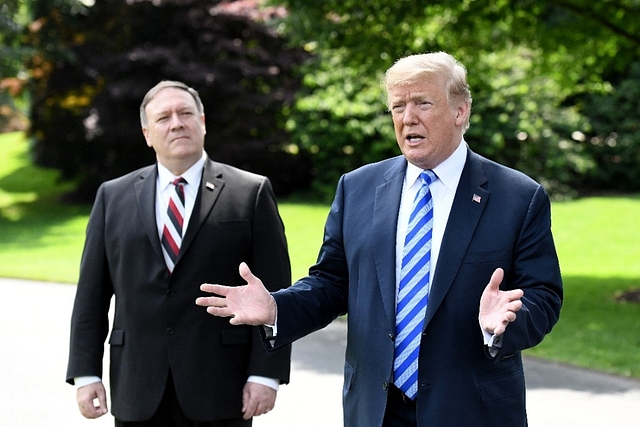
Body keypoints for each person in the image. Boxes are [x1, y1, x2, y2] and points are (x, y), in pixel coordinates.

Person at [196, 52, 563, 427]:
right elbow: (332, 283)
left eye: (423, 103)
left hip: (473, 409)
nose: (408, 118)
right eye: (398, 106)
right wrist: (277, 309)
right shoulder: (358, 188)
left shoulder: (516, 196)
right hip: (376, 410)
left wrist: (505, 321)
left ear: (460, 111)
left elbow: (544, 295)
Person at [66, 80, 292, 427]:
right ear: (147, 133)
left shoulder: (251, 192)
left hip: (222, 389)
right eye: (164, 117)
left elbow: (275, 292)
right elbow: (91, 296)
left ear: (202, 121)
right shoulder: (113, 197)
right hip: (137, 389)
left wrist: (266, 375)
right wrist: (85, 373)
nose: (176, 123)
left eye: (186, 113)